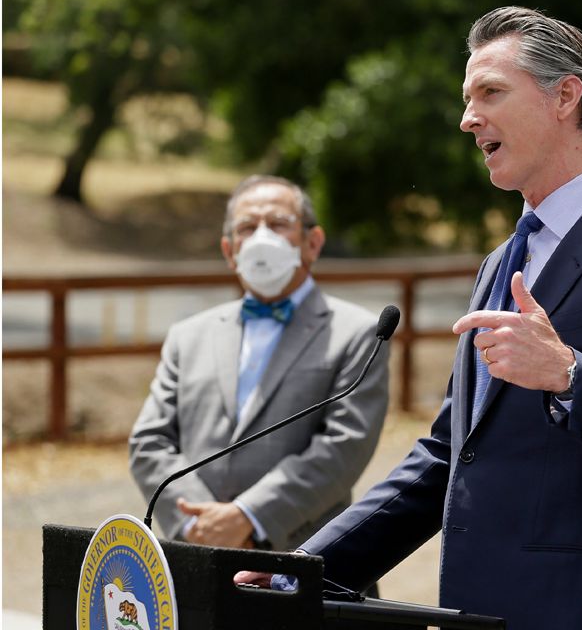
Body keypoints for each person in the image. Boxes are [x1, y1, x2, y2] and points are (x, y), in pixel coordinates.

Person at [239, 7, 582, 629]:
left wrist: (571, 375)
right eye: (468, 99)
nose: (468, 119)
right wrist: (301, 568)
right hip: (475, 615)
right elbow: (448, 457)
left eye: (490, 92)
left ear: (565, 97)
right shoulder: (502, 263)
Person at [129, 175, 390, 552]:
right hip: (196, 556)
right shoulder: (188, 336)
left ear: (312, 243)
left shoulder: (359, 333)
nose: (261, 237)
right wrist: (197, 524)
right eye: (247, 227)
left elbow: (343, 448)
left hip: (304, 560)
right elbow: (149, 441)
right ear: (229, 249)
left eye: (278, 224)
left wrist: (248, 517)